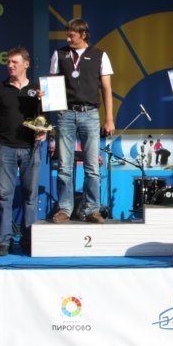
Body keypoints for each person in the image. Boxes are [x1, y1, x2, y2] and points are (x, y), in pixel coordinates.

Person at [49, 19, 115, 224]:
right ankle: (65, 209)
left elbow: (107, 89)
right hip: (65, 114)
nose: (68, 38)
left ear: (83, 34)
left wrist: (109, 118)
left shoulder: (100, 55)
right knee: (64, 166)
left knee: (92, 165)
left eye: (72, 35)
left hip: (90, 113)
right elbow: (52, 84)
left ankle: (92, 209)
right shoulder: (59, 54)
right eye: (67, 34)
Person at [0, 47, 46, 256]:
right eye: (8, 62)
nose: (10, 65)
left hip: (30, 149)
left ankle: (29, 241)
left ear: (26, 64)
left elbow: (45, 121)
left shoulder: (38, 90)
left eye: (14, 62)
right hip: (5, 148)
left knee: (30, 197)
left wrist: (43, 133)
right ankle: (4, 241)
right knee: (4, 196)